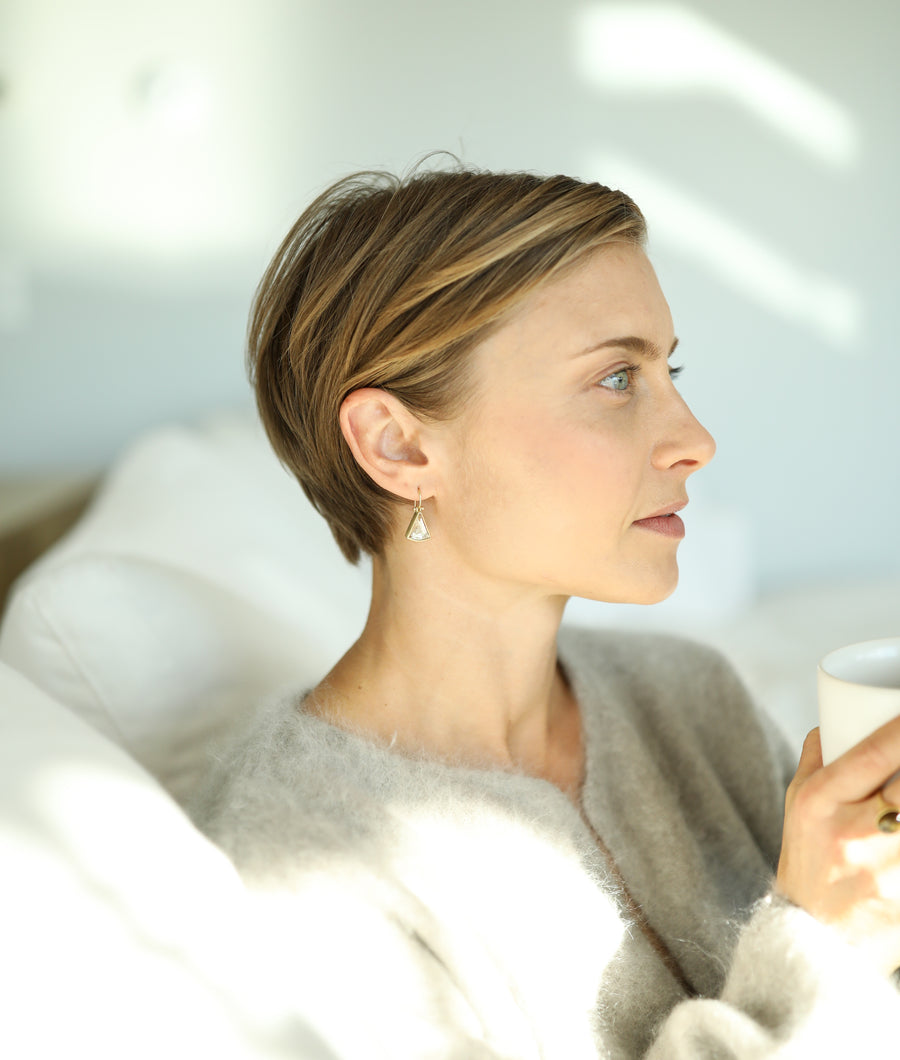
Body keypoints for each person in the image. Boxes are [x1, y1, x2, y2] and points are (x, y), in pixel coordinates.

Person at [192, 164, 900, 1057]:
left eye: (666, 369)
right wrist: (821, 943)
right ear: (398, 445)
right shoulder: (301, 865)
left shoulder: (689, 695)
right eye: (615, 378)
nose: (696, 440)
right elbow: (835, 959)